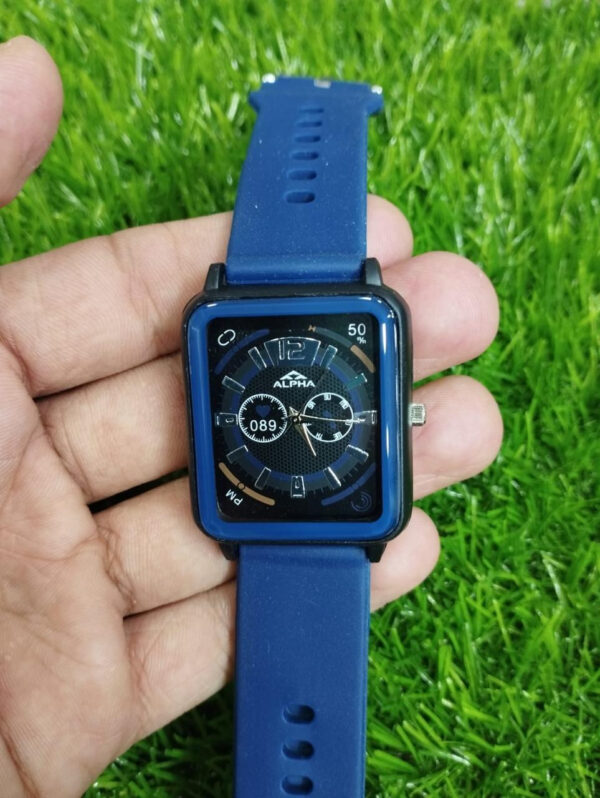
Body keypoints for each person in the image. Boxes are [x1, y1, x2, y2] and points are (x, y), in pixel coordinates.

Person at [0, 36, 503, 797]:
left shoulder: (328, 327)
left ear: (403, 417)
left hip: (320, 527)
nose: (300, 422)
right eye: (277, 417)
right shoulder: (269, 334)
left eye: (325, 417)